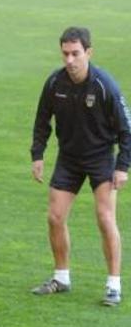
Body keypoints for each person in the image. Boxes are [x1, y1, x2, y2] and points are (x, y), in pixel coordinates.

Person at [29, 26, 130, 307]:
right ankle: (61, 278)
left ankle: (113, 285)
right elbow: (41, 121)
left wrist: (122, 166)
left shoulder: (104, 85)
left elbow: (126, 129)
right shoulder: (54, 83)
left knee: (105, 217)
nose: (70, 60)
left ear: (89, 52)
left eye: (75, 53)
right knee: (55, 216)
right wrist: (38, 155)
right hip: (69, 158)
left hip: (100, 158)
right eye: (65, 54)